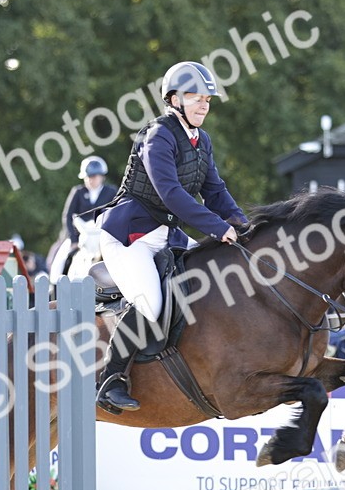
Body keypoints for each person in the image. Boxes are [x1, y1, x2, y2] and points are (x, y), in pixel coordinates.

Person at [85, 61, 248, 412]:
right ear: (174, 99)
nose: (204, 104)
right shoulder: (157, 135)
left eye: (207, 99)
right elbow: (172, 194)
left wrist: (243, 224)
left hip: (165, 236)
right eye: (195, 97)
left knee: (212, 278)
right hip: (128, 236)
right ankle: (111, 379)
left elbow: (215, 191)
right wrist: (219, 228)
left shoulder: (201, 140)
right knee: (151, 303)